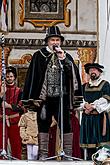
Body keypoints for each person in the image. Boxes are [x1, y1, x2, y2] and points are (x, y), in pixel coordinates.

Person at [22, 25, 82, 160]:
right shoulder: (39, 55)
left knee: (66, 124)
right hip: (45, 98)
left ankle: (67, 154)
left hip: (62, 97)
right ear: (47, 41)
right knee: (43, 123)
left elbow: (72, 75)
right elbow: (33, 77)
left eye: (57, 40)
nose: (55, 42)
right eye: (52, 40)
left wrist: (64, 60)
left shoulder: (66, 56)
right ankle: (43, 154)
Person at [80, 63, 110, 160]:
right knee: (89, 145)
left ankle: (102, 161)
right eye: (90, 70)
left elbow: (106, 100)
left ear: (100, 72)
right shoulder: (84, 86)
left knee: (102, 145)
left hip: (100, 119)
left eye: (95, 70)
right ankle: (88, 160)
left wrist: (92, 106)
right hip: (87, 120)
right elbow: (79, 100)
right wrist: (85, 105)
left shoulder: (105, 85)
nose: (92, 71)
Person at [0, 66, 24, 159]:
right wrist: (1, 94)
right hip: (1, 121)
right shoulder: (1, 90)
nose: (9, 78)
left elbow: (22, 108)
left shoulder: (19, 91)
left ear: (14, 77)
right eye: (7, 76)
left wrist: (8, 106)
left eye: (11, 76)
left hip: (14, 121)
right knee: (1, 146)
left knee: (16, 145)